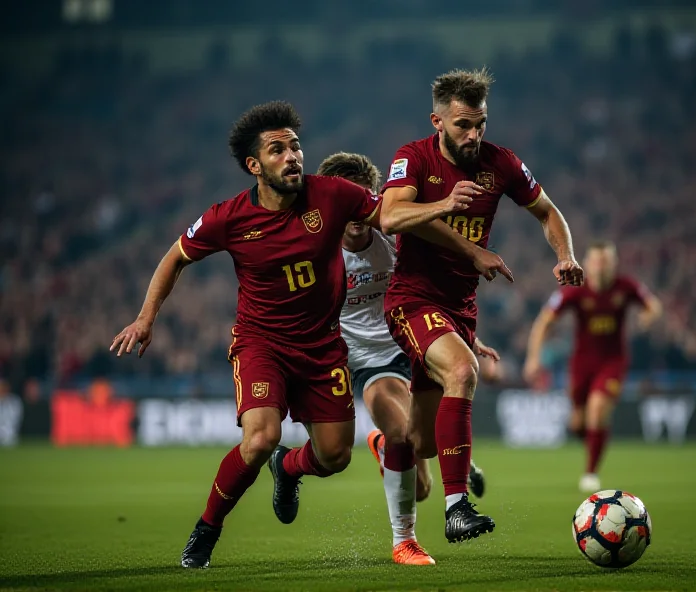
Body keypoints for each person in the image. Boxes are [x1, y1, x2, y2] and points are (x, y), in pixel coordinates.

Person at [110, 101, 511, 569]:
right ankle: (208, 528)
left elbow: (397, 219)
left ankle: (290, 465)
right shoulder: (229, 217)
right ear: (254, 166)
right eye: (277, 150)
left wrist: (460, 246)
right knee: (260, 439)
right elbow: (175, 256)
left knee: (338, 456)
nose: (292, 156)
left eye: (296, 146)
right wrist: (145, 317)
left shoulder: (336, 197)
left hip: (325, 351)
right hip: (265, 343)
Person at [379, 68, 584, 543]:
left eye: (481, 124)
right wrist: (446, 204)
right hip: (411, 299)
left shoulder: (501, 163)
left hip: (459, 309)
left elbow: (548, 211)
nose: (473, 135)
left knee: (421, 441)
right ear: (437, 121)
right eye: (462, 125)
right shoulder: (412, 158)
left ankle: (392, 443)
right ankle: (457, 509)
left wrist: (565, 255)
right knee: (464, 371)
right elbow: (390, 216)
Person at [318, 152, 498, 565]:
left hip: (411, 344)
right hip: (368, 363)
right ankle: (404, 542)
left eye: (365, 199)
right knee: (403, 439)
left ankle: (394, 446)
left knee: (422, 484)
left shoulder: (395, 240)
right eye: (346, 202)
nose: (357, 211)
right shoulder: (318, 254)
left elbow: (422, 294)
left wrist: (465, 336)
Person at [523, 240, 662, 492]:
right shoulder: (575, 289)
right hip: (581, 364)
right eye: (597, 261)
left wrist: (648, 316)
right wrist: (534, 358)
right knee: (578, 424)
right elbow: (544, 321)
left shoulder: (626, 286)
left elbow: (653, 305)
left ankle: (590, 472)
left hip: (613, 362)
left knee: (597, 410)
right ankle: (592, 437)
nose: (601, 266)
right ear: (586, 264)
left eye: (606, 261)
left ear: (614, 264)